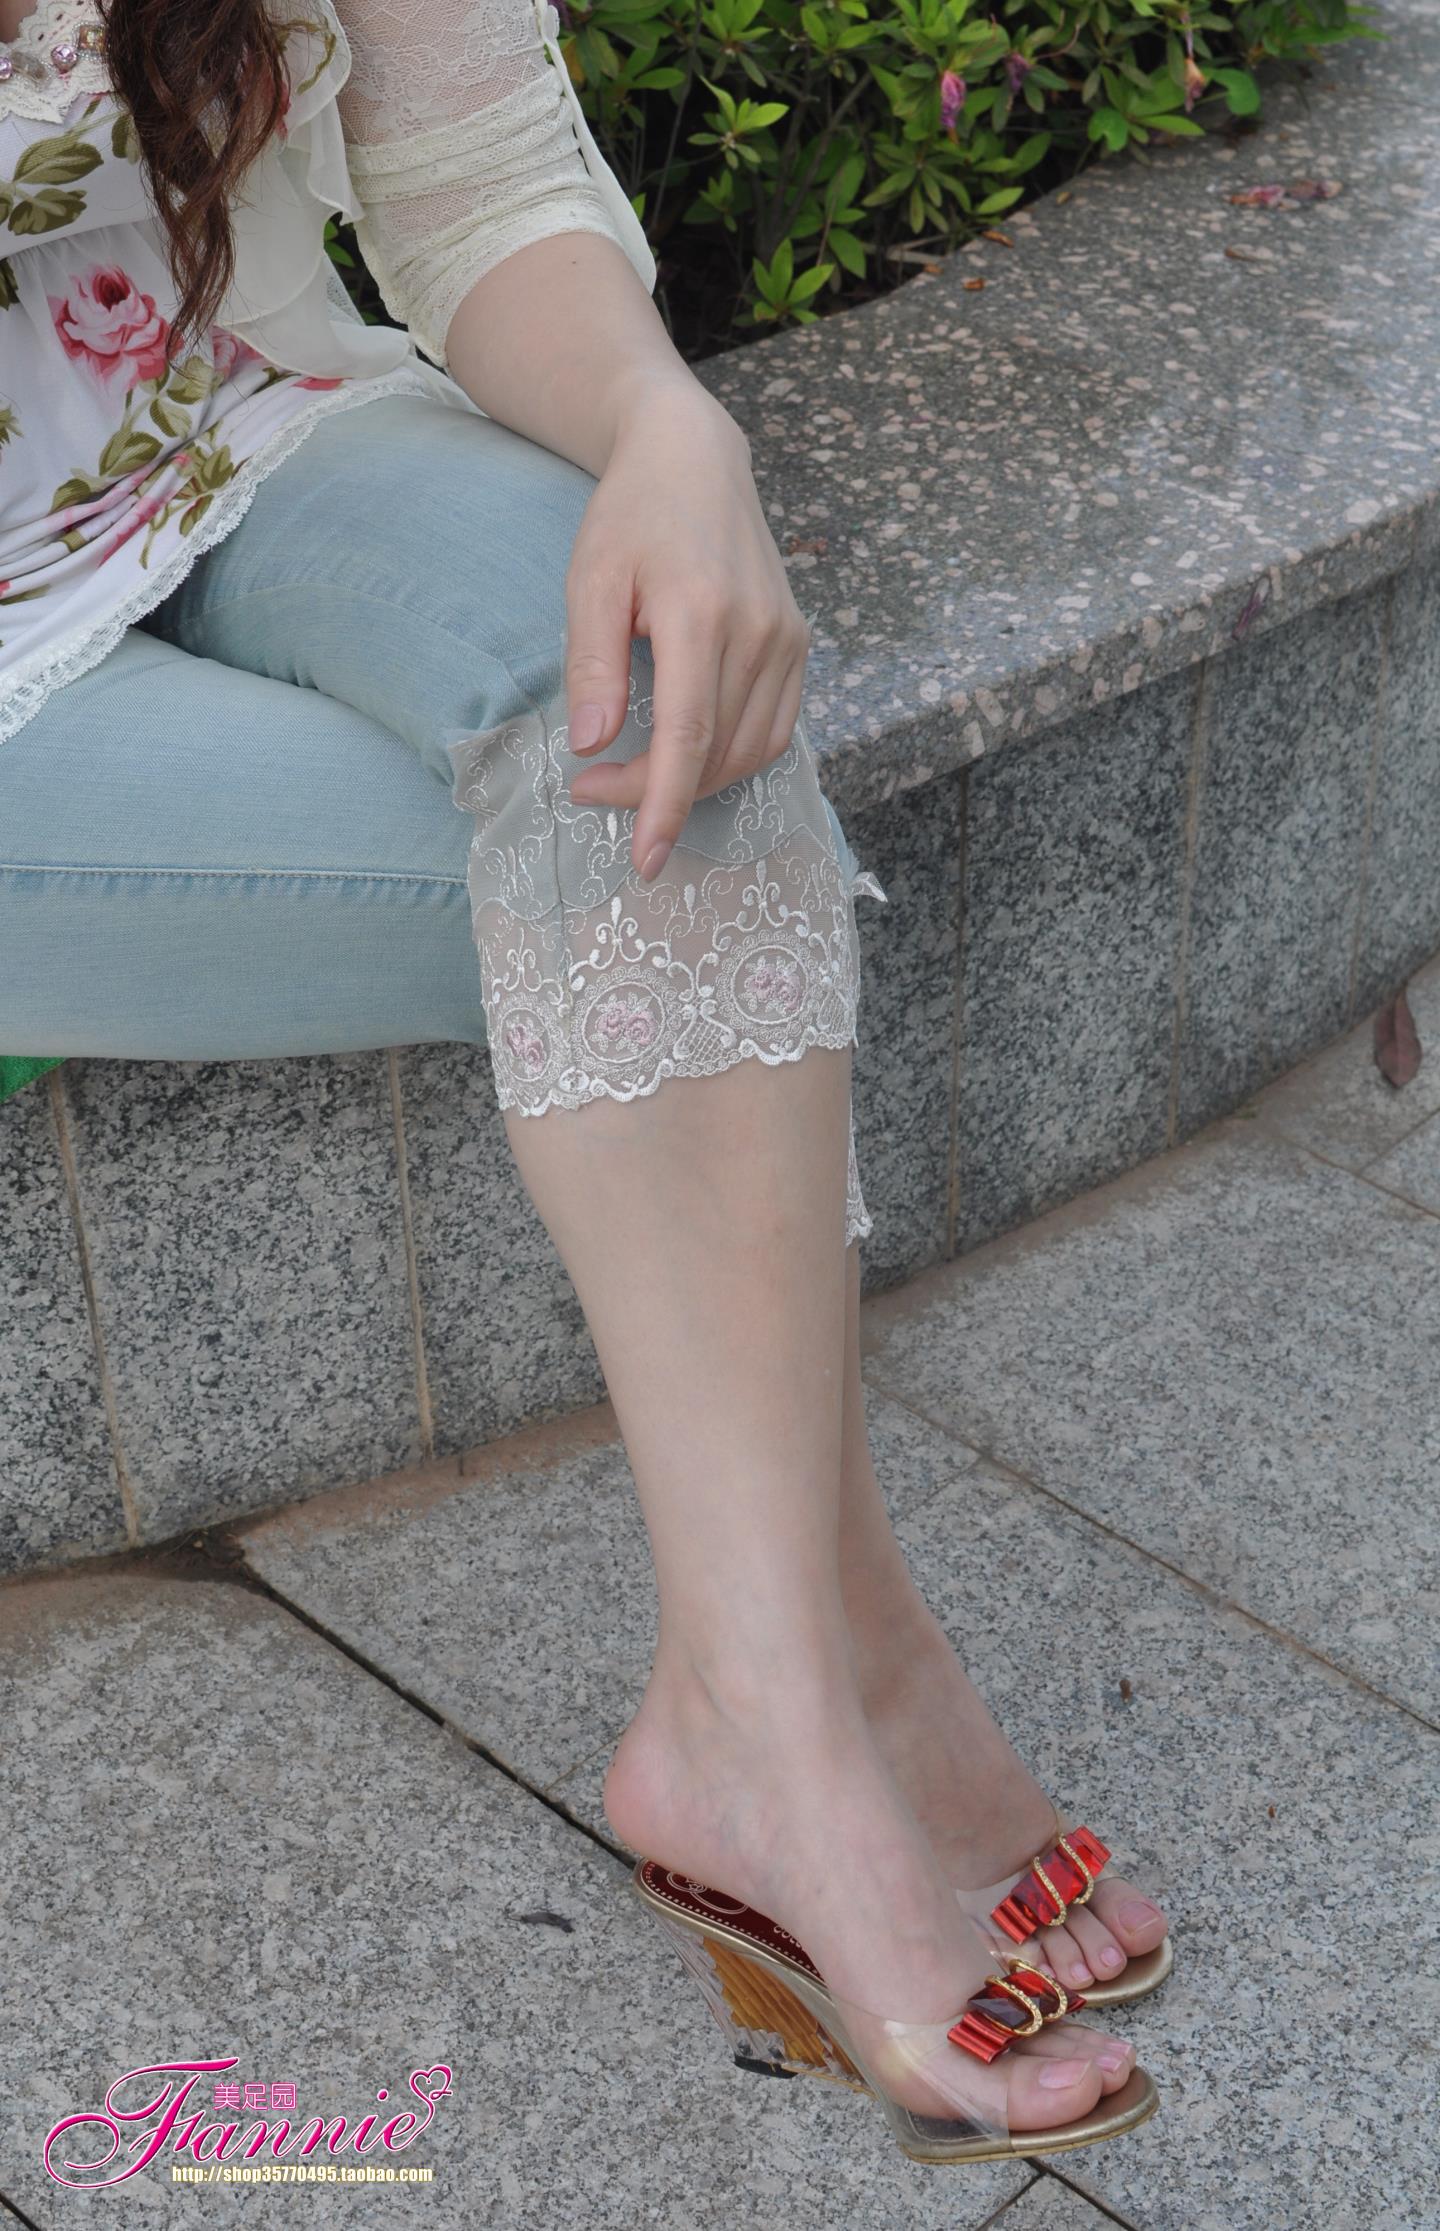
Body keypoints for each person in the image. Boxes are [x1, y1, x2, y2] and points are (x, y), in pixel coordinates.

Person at [0, 0, 1169, 2160]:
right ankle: (832, 1696)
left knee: (655, 723)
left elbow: (469, 175)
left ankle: (783, 1704)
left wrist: (664, 428)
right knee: (645, 866)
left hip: (218, 429)